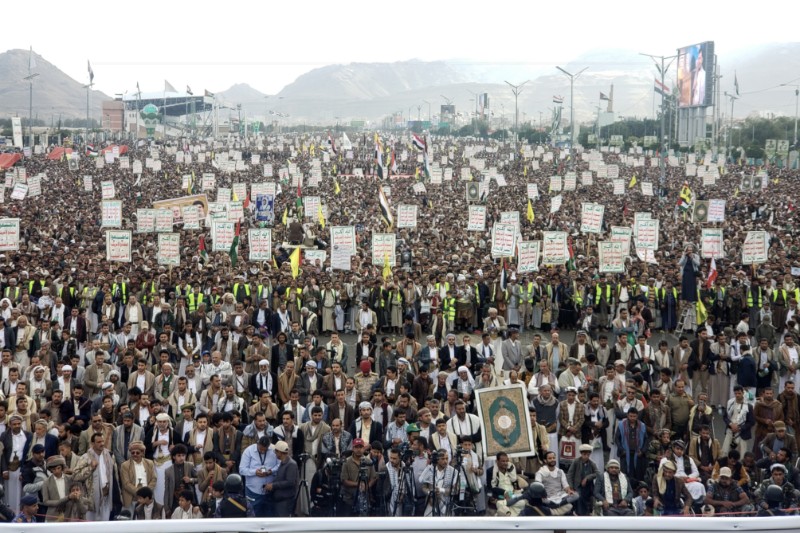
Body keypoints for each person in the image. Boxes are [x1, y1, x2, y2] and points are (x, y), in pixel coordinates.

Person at [267, 440, 298, 517]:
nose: (275, 453)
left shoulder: (291, 464)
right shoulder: (283, 462)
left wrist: (273, 485)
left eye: (276, 451)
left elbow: (290, 482)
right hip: (279, 499)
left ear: (280, 452)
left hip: (285, 501)